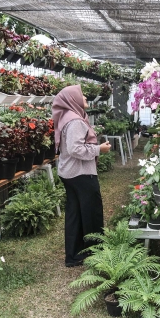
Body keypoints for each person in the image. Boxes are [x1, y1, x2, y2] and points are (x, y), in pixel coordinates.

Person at [52, 85, 111, 267]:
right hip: (80, 174)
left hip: (69, 173)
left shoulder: (67, 118)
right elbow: (75, 148)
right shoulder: (75, 121)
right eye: (81, 94)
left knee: (75, 215)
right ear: (72, 99)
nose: (85, 96)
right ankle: (96, 253)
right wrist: (99, 149)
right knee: (91, 212)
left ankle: (74, 255)